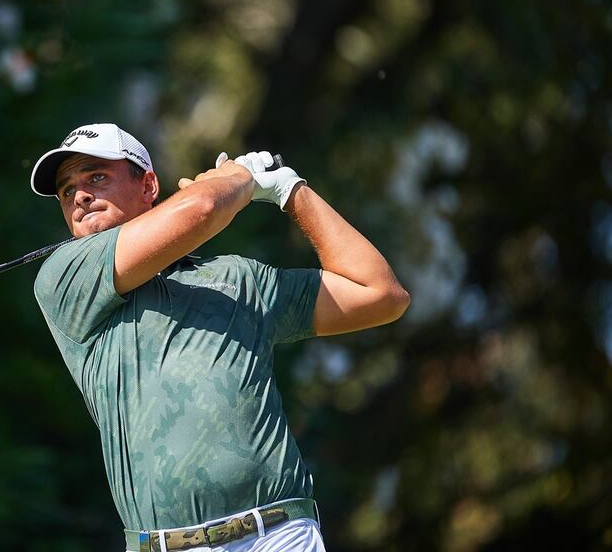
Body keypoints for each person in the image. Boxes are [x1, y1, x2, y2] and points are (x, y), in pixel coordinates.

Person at [30, 123, 409, 552]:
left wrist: (290, 190)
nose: (79, 196)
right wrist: (242, 177)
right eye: (66, 190)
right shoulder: (64, 278)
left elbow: (379, 295)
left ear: (148, 185)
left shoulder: (234, 278)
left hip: (279, 535)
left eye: (96, 177)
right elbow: (202, 210)